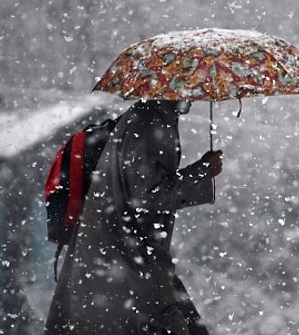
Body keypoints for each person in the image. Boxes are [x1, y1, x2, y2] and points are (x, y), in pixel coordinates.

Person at [45, 99, 223, 335]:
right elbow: (149, 195)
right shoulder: (148, 123)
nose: (194, 96)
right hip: (126, 256)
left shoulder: (155, 117)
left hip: (130, 254)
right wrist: (202, 171)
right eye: (190, 89)